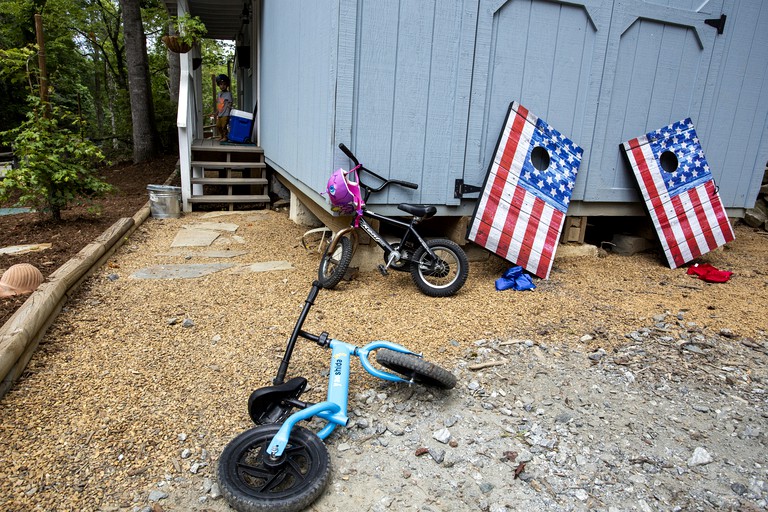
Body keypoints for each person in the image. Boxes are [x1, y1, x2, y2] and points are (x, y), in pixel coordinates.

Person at [215, 74, 233, 141]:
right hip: (220, 113)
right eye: (221, 84)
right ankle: (221, 136)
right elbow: (219, 103)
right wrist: (217, 111)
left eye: (224, 84)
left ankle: (225, 137)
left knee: (224, 126)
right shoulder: (219, 94)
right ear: (219, 85)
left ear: (227, 85)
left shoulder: (228, 94)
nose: (222, 86)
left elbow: (230, 102)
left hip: (226, 113)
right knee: (218, 125)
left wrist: (229, 106)